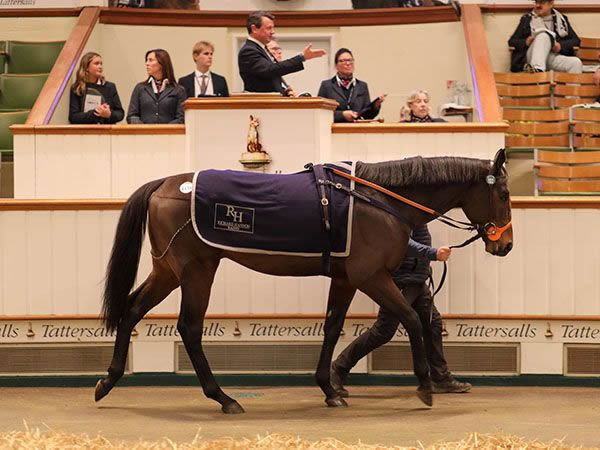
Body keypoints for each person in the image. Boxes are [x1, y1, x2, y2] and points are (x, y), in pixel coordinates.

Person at [331, 225, 472, 396]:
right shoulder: (401, 212)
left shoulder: (419, 213)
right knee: (383, 331)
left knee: (433, 324)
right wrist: (432, 253)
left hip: (417, 281)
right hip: (401, 283)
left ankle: (440, 378)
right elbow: (402, 242)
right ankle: (337, 370)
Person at [238, 10, 326, 94]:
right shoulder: (249, 50)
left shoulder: (261, 48)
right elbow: (270, 70)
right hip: (261, 104)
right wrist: (301, 57)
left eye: (273, 28)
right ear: (254, 29)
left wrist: (284, 92)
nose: (273, 32)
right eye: (269, 28)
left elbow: (271, 78)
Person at [508, 0, 581, 73]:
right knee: (543, 35)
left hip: (552, 57)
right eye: (536, 2)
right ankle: (537, 71)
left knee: (575, 63)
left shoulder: (561, 19)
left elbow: (576, 41)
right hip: (531, 58)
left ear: (551, 4)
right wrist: (526, 42)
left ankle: (572, 84)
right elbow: (512, 41)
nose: (537, 6)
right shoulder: (527, 19)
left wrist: (560, 46)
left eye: (541, 2)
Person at [317, 48, 385, 123]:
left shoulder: (362, 86)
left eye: (350, 60)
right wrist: (342, 115)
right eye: (343, 61)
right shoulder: (327, 86)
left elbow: (367, 115)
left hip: (357, 131)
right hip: (334, 130)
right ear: (336, 65)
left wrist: (375, 106)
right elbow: (321, 113)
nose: (348, 63)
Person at [127, 49, 186, 124]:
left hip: (170, 134)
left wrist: (163, 130)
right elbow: (132, 116)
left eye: (150, 60)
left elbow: (181, 118)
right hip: (143, 134)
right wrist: (144, 129)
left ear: (162, 63)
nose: (147, 63)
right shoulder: (140, 88)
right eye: (146, 60)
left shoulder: (178, 90)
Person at [69, 52, 124, 124]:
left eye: (101, 64)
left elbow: (120, 114)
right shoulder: (77, 88)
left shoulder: (110, 87)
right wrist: (95, 113)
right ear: (87, 67)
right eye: (96, 63)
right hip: (85, 132)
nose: (100, 66)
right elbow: (73, 117)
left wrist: (109, 114)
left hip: (107, 132)